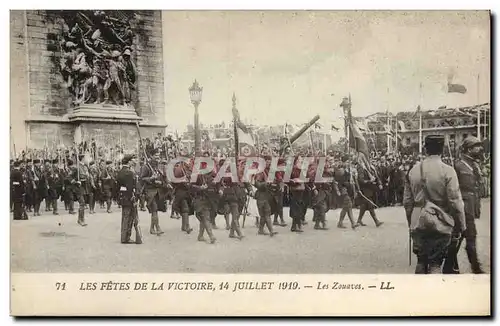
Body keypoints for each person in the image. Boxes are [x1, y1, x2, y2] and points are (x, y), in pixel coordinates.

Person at [404, 135, 466, 274]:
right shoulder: (448, 170)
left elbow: (407, 201)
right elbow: (455, 201)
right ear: (442, 149)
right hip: (440, 219)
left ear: (425, 149)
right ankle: (434, 293)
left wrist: (411, 221)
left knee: (421, 260)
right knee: (435, 262)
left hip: (418, 218)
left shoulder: (413, 170)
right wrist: (461, 224)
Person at [453, 136, 485, 274]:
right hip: (462, 209)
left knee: (469, 237)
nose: (480, 148)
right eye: (476, 146)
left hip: (471, 208)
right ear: (468, 149)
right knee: (458, 239)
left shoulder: (474, 165)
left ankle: (475, 268)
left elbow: (478, 187)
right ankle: (452, 266)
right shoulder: (458, 166)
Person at [140, 149, 164, 235]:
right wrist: (151, 179)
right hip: (149, 191)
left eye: (158, 157)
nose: (158, 158)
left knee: (155, 210)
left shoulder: (157, 166)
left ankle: (151, 228)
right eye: (156, 157)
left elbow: (161, 177)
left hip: (157, 191)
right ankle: (157, 227)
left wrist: (161, 182)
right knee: (154, 209)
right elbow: (142, 178)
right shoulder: (146, 167)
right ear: (151, 156)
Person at [116, 155, 140, 244]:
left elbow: (118, 187)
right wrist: (134, 197)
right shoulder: (129, 173)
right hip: (129, 197)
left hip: (122, 196)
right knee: (129, 218)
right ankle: (126, 237)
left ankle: (123, 237)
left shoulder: (120, 172)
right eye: (132, 160)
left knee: (124, 217)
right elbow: (130, 187)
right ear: (129, 162)